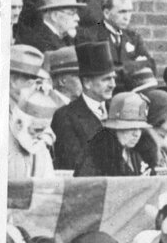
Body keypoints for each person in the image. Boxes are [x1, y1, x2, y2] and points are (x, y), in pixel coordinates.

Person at [50, 42, 119, 172]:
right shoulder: (65, 116)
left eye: (113, 79)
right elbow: (75, 164)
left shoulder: (116, 110)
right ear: (87, 83)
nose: (113, 85)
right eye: (106, 79)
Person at [75, 0, 155, 75]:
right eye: (122, 12)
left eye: (130, 11)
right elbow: (101, 73)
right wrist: (135, 65)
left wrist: (121, 68)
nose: (127, 17)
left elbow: (151, 65)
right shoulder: (90, 36)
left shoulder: (134, 38)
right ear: (107, 13)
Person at [75, 92, 156, 177]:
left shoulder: (139, 153)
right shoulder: (96, 157)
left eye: (140, 129)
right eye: (130, 128)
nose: (136, 134)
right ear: (114, 129)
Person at [17, 0, 83, 56]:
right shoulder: (40, 42)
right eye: (72, 13)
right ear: (54, 16)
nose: (77, 18)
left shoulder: (65, 38)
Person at [8, 93, 59, 182]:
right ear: (19, 124)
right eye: (37, 130)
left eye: (45, 130)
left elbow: (48, 186)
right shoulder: (0, 144)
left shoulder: (40, 147)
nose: (43, 137)